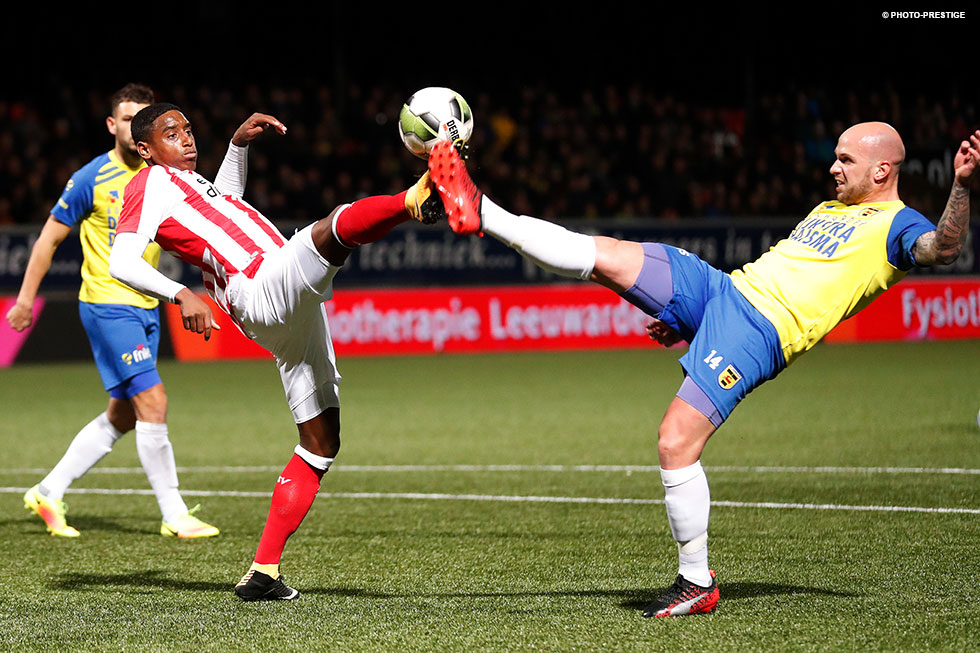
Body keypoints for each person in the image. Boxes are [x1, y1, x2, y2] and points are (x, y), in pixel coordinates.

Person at [426, 123, 980, 617]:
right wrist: (696, 321)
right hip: (724, 291)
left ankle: (696, 580)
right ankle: (482, 209)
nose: (832, 167)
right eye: (835, 157)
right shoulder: (830, 209)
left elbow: (944, 247)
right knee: (605, 254)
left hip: (758, 331)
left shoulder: (897, 225)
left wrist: (961, 185)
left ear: (883, 170)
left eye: (846, 160)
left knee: (675, 442)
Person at [108, 102, 443, 601]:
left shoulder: (190, 186)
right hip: (259, 285)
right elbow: (121, 260)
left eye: (188, 129)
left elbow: (226, 200)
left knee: (321, 442)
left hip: (279, 314)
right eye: (171, 133)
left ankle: (263, 571)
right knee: (330, 230)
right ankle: (413, 199)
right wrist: (180, 294)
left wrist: (238, 146)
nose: (186, 139)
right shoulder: (149, 184)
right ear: (145, 149)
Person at [7, 84, 219, 540]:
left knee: (124, 414)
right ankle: (174, 513)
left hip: (147, 305)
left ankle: (48, 489)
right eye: (125, 119)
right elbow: (47, 239)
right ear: (114, 126)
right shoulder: (91, 178)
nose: (132, 125)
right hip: (107, 305)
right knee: (154, 402)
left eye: (141, 117)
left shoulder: (165, 177)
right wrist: (26, 298)